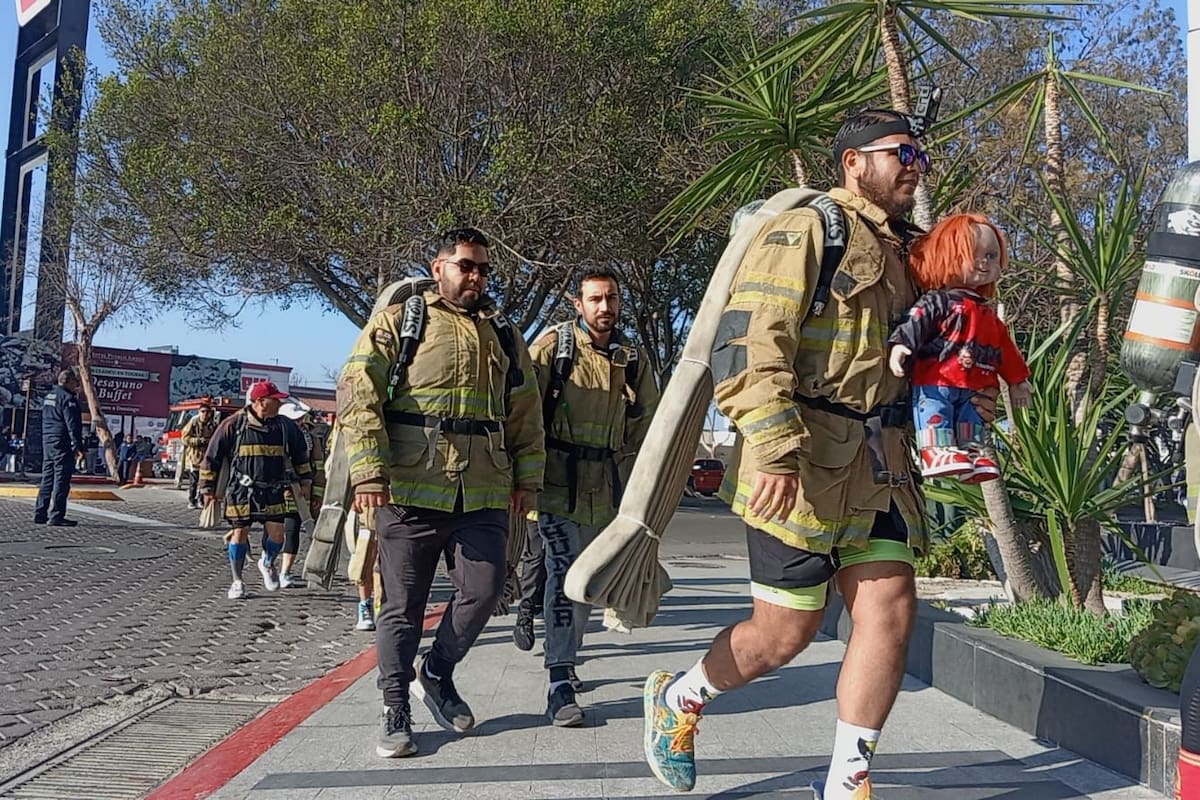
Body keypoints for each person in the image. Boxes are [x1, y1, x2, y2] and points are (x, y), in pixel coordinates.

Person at [641, 109, 996, 800]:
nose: (916, 165)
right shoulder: (809, 230)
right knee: (783, 633)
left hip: (884, 464)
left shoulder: (918, 255)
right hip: (803, 462)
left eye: (921, 154)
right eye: (901, 153)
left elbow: (943, 349)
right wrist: (774, 448)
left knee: (890, 607)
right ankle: (679, 699)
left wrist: (968, 398)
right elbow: (751, 344)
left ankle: (847, 782)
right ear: (853, 162)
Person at [336, 227, 544, 758]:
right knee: (402, 607)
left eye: (483, 269)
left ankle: (437, 670)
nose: (476, 276)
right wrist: (369, 473)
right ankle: (395, 706)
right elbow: (358, 394)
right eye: (465, 266)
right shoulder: (398, 323)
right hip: (409, 491)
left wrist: (528, 479)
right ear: (438, 268)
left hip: (483, 490)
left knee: (486, 590)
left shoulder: (503, 333)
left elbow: (525, 411)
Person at [526, 268, 659, 727]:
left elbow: (648, 424)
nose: (605, 307)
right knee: (566, 574)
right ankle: (559, 680)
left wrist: (646, 486)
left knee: (592, 581)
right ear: (578, 303)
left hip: (607, 489)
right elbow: (522, 412)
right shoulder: (553, 349)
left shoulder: (632, 358)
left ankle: (563, 651)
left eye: (612, 298)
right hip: (556, 487)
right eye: (596, 298)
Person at [887, 213, 1032, 482]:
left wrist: (1018, 381)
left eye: (992, 256)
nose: (984, 262)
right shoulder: (938, 302)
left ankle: (972, 452)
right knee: (934, 412)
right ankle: (935, 450)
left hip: (975, 385)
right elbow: (916, 321)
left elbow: (1006, 350)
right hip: (936, 378)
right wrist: (901, 344)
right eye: (974, 254)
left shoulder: (987, 314)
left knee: (971, 418)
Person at [200, 381, 311, 600]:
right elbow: (212, 457)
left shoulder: (285, 426)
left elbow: (300, 454)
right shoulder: (233, 424)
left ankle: (267, 562)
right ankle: (237, 581)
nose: (280, 403)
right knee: (239, 534)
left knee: (277, 536)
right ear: (260, 401)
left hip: (273, 490)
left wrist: (306, 482)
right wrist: (207, 489)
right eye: (275, 399)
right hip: (241, 490)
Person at [270, 400, 325, 589]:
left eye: (301, 419)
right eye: (295, 420)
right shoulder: (271, 437)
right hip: (274, 494)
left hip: (299, 494)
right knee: (273, 533)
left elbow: (318, 469)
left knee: (292, 532)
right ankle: (268, 562)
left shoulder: (311, 440)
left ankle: (285, 572)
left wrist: (316, 494)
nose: (299, 423)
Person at [34, 369, 84, 527]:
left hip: (48, 440)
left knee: (47, 477)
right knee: (61, 479)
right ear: (69, 381)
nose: (76, 385)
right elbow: (73, 425)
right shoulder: (68, 399)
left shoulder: (49, 396)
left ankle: (40, 513)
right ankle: (56, 515)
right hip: (62, 442)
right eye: (75, 382)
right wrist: (78, 446)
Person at [181, 401, 218, 509]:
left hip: (206, 457)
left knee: (204, 481)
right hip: (194, 457)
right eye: (203, 411)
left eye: (207, 412)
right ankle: (192, 500)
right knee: (194, 481)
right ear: (199, 412)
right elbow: (184, 438)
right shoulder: (193, 423)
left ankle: (201, 500)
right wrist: (198, 441)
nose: (205, 414)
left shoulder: (212, 425)